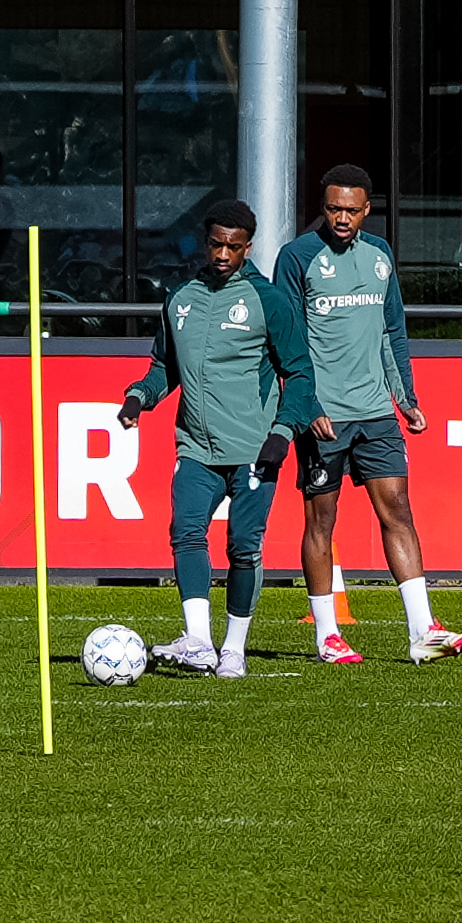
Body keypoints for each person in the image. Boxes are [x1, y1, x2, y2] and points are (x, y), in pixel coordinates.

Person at [276, 162, 462, 666]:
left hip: (375, 411)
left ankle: (423, 630)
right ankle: (327, 635)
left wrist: (407, 402)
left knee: (398, 510)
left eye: (351, 210)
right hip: (323, 415)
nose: (342, 218)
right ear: (323, 206)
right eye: (334, 208)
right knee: (322, 520)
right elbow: (286, 341)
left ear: (366, 209)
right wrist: (305, 405)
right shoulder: (297, 257)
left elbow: (392, 332)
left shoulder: (379, 255)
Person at [119, 196, 289, 676]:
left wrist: (281, 433)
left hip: (256, 449)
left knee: (243, 546)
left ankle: (233, 648)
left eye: (233, 247)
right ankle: (198, 640)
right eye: (216, 244)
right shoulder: (180, 298)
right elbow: (163, 366)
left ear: (248, 248)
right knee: (186, 533)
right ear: (205, 241)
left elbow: (298, 373)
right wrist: (138, 398)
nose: (222, 255)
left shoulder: (268, 301)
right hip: (195, 446)